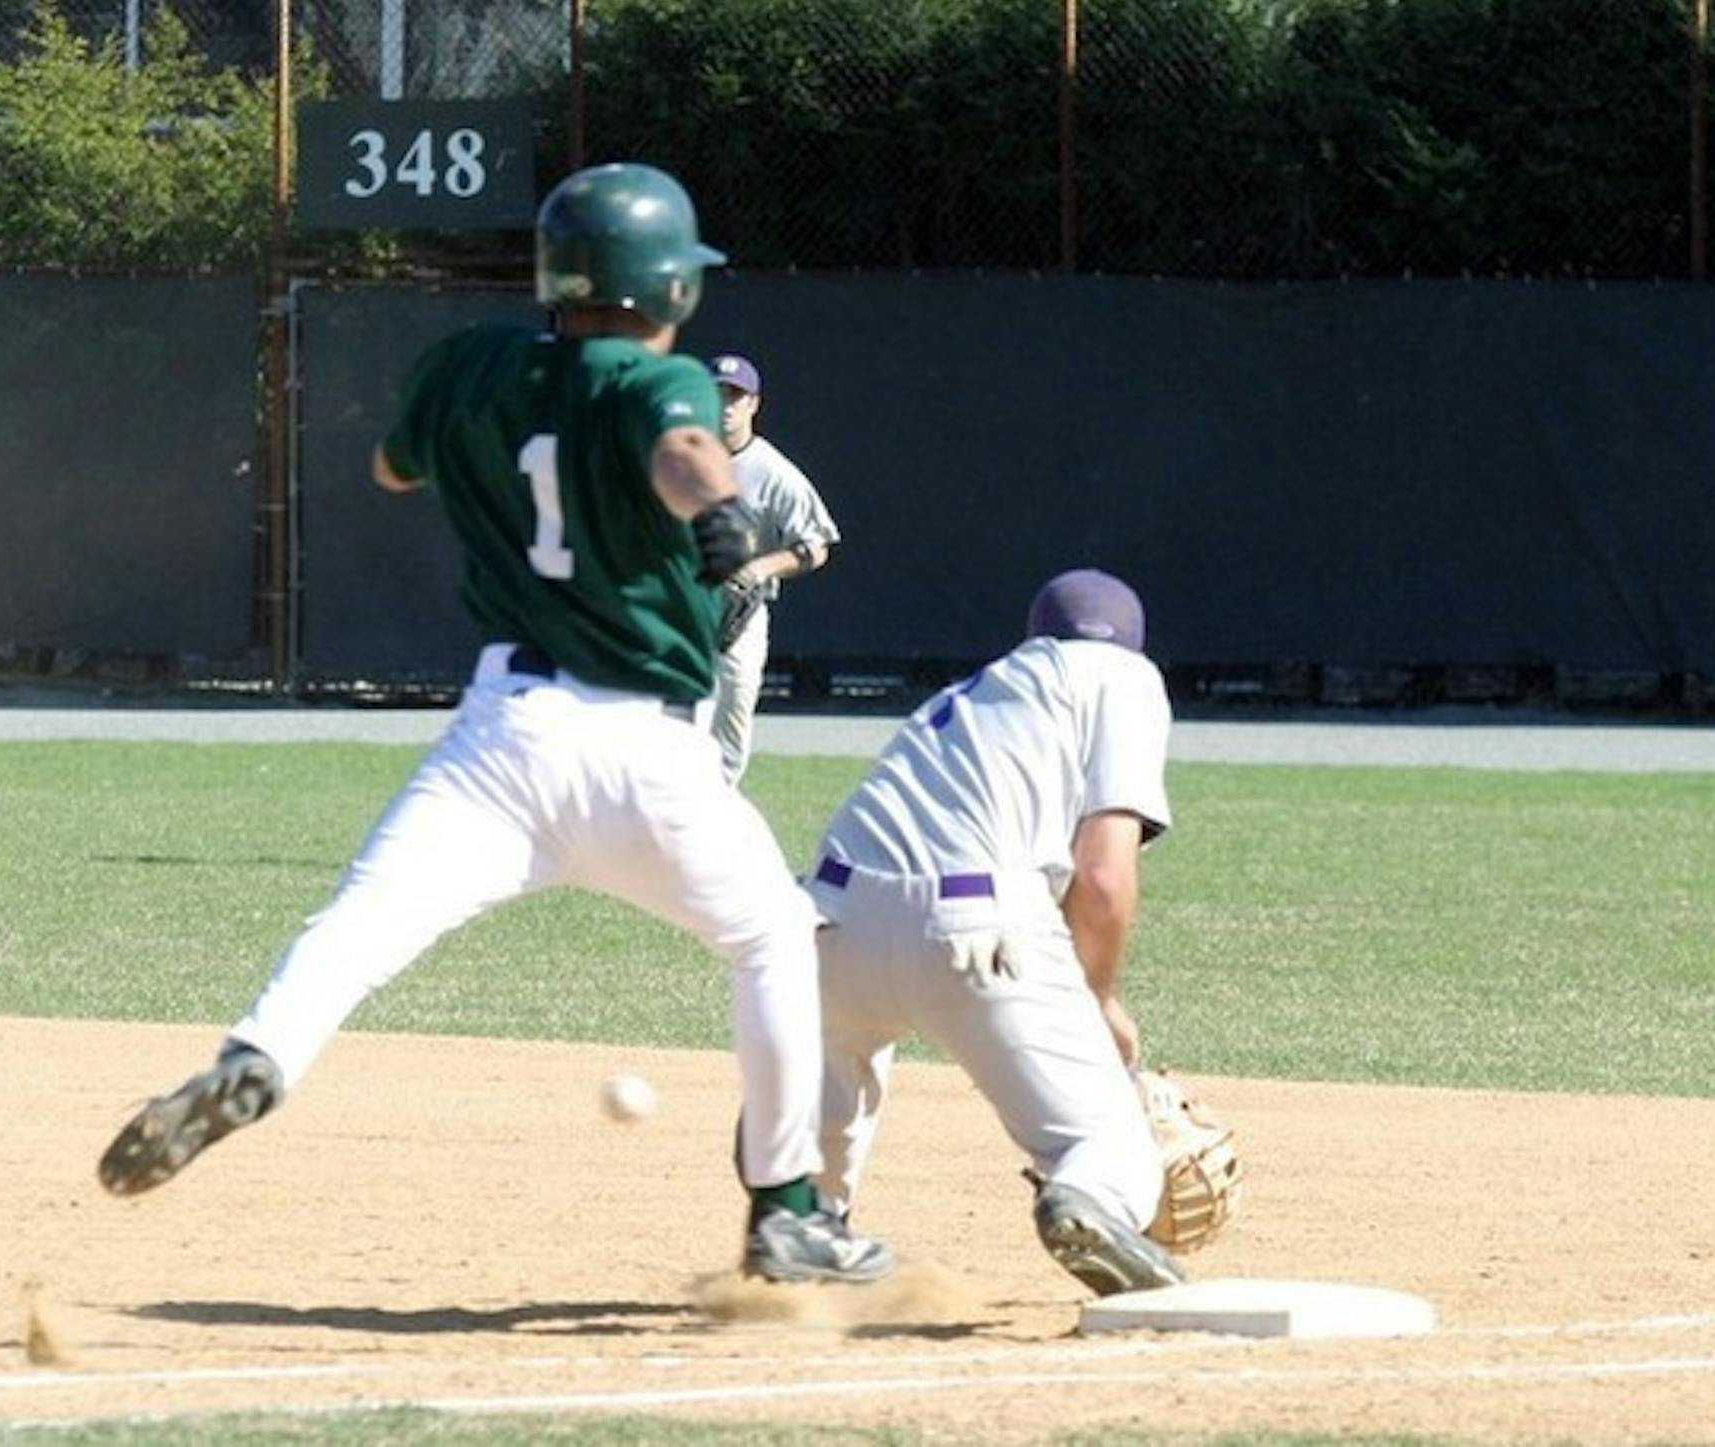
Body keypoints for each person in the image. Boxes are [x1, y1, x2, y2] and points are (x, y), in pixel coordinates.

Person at [96, 162, 894, 1287]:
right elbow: (682, 444)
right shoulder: (652, 382)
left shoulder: (470, 366)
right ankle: (785, 1211)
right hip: (644, 752)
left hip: (500, 735)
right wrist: (715, 505)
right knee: (770, 937)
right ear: (668, 287)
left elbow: (388, 465)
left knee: (363, 920)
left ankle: (257, 1055)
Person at [804, 569, 1185, 1296]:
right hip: (974, 925)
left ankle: (800, 1215)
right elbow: (1102, 873)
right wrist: (1097, 1000)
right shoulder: (1124, 677)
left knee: (837, 1068)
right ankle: (1093, 1196)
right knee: (1107, 1144)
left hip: (827, 921)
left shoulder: (977, 692)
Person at [703, 353, 841, 786]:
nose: (726, 405)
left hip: (737, 618)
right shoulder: (678, 455)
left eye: (736, 396)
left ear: (753, 405)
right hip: (682, 608)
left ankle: (718, 813)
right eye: (718, 394)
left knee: (731, 720)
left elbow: (817, 545)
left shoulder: (773, 472)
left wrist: (763, 566)